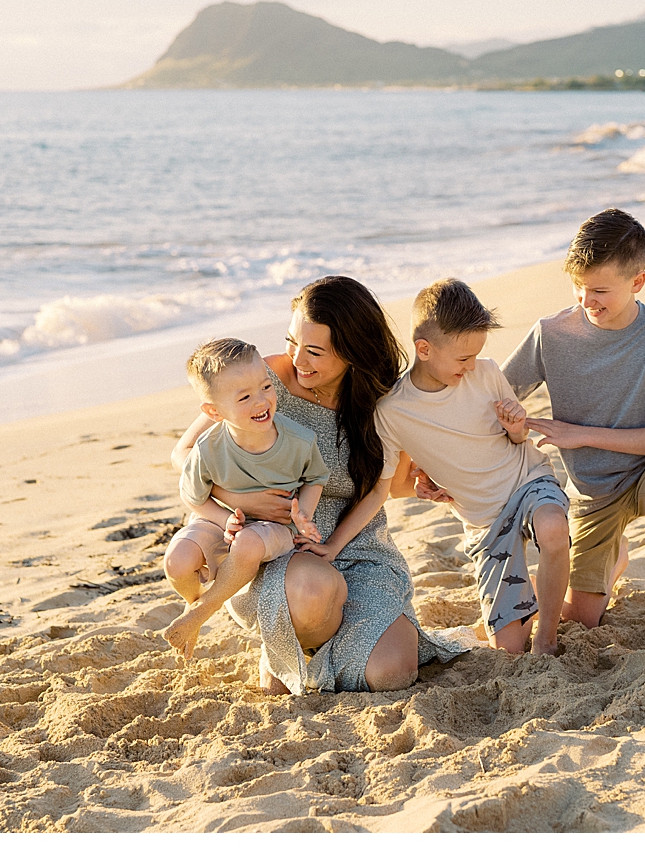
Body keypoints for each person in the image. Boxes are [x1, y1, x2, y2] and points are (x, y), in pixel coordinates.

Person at [168, 276, 461, 694]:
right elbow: (184, 455)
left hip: (356, 545)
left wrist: (419, 487)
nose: (298, 359)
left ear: (352, 351)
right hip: (273, 548)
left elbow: (384, 488)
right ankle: (289, 648)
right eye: (292, 342)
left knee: (391, 672)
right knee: (309, 591)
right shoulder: (266, 381)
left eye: (315, 351)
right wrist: (238, 499)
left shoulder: (384, 401)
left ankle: (305, 656)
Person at [500, 208, 645, 646]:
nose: (586, 300)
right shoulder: (551, 333)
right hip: (591, 493)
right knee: (581, 621)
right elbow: (495, 397)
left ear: (638, 282)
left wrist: (581, 434)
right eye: (578, 287)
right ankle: (613, 559)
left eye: (599, 290)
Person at [377, 279, 571, 656]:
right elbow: (393, 484)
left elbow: (516, 440)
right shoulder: (393, 410)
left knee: (552, 527)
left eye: (476, 356)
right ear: (424, 349)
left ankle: (547, 636)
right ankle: (536, 589)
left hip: (527, 480)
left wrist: (517, 428)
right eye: (462, 359)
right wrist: (419, 488)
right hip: (484, 521)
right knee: (508, 649)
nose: (471, 367)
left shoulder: (486, 372)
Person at [163, 338, 327, 659]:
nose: (261, 401)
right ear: (214, 411)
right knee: (177, 562)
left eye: (266, 386)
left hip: (274, 525)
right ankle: (192, 602)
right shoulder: (208, 448)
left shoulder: (298, 439)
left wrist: (303, 514)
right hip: (218, 517)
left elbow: (316, 477)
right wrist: (225, 520)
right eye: (245, 397)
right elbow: (194, 497)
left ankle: (202, 612)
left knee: (248, 543)